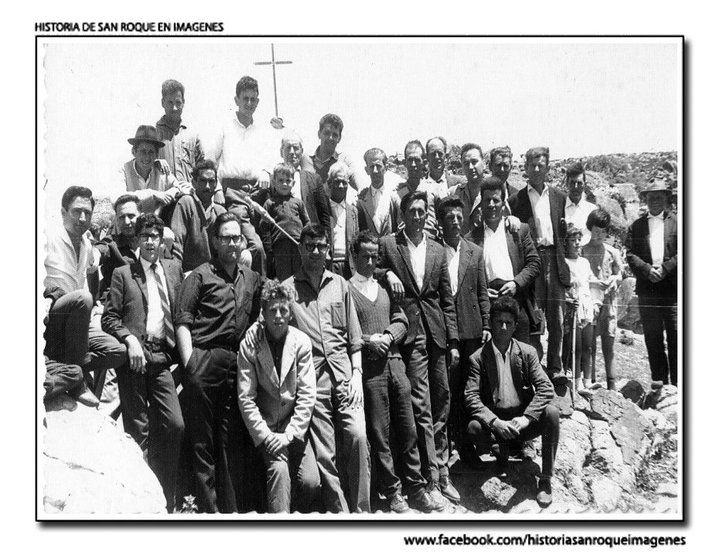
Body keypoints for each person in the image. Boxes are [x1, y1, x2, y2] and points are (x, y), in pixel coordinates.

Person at [348, 231, 443, 513]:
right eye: (363, 256)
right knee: (381, 433)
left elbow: (401, 319)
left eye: (373, 256)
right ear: (353, 257)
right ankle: (392, 491)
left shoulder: (385, 287)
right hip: (371, 370)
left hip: (396, 363)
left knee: (408, 428)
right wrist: (369, 341)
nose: (369, 261)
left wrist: (389, 336)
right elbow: (346, 331)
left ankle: (416, 487)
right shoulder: (347, 289)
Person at [174, 212, 263, 513]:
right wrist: (191, 365)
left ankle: (230, 511)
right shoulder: (199, 276)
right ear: (214, 241)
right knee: (202, 443)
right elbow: (183, 321)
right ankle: (209, 513)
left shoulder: (251, 278)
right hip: (204, 359)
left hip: (236, 364)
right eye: (226, 238)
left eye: (237, 237)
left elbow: (265, 311)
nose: (232, 243)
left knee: (230, 440)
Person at [377, 191, 461, 506]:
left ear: (427, 215)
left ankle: (443, 470)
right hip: (410, 335)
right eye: (411, 211)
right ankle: (430, 479)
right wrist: (386, 273)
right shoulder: (389, 244)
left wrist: (453, 342)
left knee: (442, 401)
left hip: (437, 333)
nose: (417, 216)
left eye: (421, 211)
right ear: (403, 214)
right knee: (421, 405)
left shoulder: (437, 249)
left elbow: (446, 299)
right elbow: (368, 268)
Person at [282, 224, 370, 513]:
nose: (316, 251)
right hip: (313, 382)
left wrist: (357, 375)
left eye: (321, 246)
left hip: (345, 378)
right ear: (300, 249)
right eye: (310, 246)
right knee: (325, 453)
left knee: (358, 437)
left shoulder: (340, 285)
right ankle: (340, 514)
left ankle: (363, 513)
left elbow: (355, 338)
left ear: (329, 250)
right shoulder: (288, 290)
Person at [101, 214, 185, 512]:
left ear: (162, 240)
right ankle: (143, 505)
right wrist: (129, 339)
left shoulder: (173, 270)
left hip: (162, 357)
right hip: (135, 360)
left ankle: (167, 498)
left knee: (174, 425)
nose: (150, 241)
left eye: (155, 236)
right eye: (145, 236)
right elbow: (109, 318)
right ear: (137, 240)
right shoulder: (123, 274)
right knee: (139, 431)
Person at [464, 296, 560, 507]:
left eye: (508, 323)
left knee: (552, 414)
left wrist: (527, 418)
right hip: (496, 423)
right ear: (491, 323)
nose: (503, 327)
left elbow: (546, 388)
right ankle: (500, 453)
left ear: (516, 325)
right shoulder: (478, 358)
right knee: (473, 427)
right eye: (499, 322)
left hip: (520, 421)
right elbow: (471, 397)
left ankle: (545, 479)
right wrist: (495, 422)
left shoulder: (527, 353)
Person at [237, 280, 321, 513]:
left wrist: (290, 434)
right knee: (280, 471)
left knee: (311, 482)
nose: (278, 316)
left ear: (291, 313)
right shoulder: (250, 344)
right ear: (263, 313)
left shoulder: (301, 342)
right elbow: (246, 398)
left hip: (292, 425)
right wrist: (266, 436)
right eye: (272, 310)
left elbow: (307, 395)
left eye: (283, 310)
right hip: (265, 428)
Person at [44, 186, 127, 395]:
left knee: (117, 351)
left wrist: (96, 301)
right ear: (63, 212)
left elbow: (91, 269)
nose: (82, 218)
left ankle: (67, 371)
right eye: (76, 211)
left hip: (76, 326)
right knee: (82, 298)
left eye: (87, 213)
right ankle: (76, 382)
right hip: (51, 320)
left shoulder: (87, 245)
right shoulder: (46, 237)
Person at [508, 147, 571, 384]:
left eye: (541, 165)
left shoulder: (559, 197)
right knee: (534, 315)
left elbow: (564, 233)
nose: (536, 169)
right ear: (525, 168)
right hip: (531, 260)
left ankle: (555, 367)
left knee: (556, 317)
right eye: (532, 165)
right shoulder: (516, 200)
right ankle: (535, 367)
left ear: (547, 168)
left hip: (554, 258)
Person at [437, 197, 491, 465]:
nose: (456, 222)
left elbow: (482, 291)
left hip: (471, 330)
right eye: (450, 218)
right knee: (448, 388)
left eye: (459, 217)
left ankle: (470, 444)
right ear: (441, 222)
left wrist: (487, 324)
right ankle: (447, 444)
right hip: (444, 329)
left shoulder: (475, 251)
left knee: (471, 388)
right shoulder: (434, 250)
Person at [474, 177, 542, 350]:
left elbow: (534, 263)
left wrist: (516, 284)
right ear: (481, 204)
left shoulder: (518, 230)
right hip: (489, 305)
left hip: (516, 300)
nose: (491, 205)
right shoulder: (472, 238)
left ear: (503, 204)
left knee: (521, 354)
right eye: (487, 200)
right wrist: (482, 290)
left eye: (496, 200)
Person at [625, 179, 678, 386]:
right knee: (652, 336)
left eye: (659, 196)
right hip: (648, 288)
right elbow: (630, 254)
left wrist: (666, 268)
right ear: (645, 199)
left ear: (666, 198)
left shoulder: (678, 222)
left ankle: (677, 386)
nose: (655, 200)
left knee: (676, 335)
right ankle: (659, 382)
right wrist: (647, 270)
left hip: (672, 289)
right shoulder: (636, 226)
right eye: (651, 196)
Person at [171, 159, 238, 274]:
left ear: (216, 184)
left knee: (245, 256)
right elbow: (177, 244)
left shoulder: (220, 211)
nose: (207, 186)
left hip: (215, 273)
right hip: (190, 272)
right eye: (202, 181)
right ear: (194, 183)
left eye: (211, 181)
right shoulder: (186, 203)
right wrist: (178, 276)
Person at [583, 209, 623, 390]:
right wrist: (593, 282)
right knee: (589, 345)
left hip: (608, 303)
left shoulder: (612, 252)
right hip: (590, 303)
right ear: (589, 229)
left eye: (603, 231)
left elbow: (619, 274)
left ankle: (612, 386)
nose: (599, 235)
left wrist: (615, 278)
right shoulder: (583, 250)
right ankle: (590, 381)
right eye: (596, 231)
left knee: (609, 345)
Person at [120, 125, 192, 218]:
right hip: (130, 223)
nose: (147, 157)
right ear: (134, 152)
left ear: (156, 155)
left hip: (154, 224)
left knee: (186, 200)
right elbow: (119, 198)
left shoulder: (161, 170)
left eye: (151, 152)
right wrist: (152, 194)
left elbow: (183, 187)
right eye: (143, 151)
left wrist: (172, 192)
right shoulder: (124, 170)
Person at [260, 163, 310, 281]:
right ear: (273, 182)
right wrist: (269, 248)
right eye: (280, 180)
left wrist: (306, 241)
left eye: (288, 181)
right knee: (285, 278)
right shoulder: (269, 203)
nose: (284, 184)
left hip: (298, 244)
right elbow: (264, 227)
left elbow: (307, 222)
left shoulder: (298, 202)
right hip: (280, 246)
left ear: (293, 183)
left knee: (300, 275)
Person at [562, 226, 597, 391]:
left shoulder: (584, 262)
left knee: (588, 346)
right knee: (576, 347)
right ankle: (577, 382)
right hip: (573, 308)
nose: (577, 243)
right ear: (566, 243)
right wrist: (568, 300)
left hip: (586, 305)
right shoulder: (563, 263)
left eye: (579, 240)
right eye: (572, 240)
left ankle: (587, 380)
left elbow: (591, 282)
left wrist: (608, 282)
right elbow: (562, 288)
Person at [279, 131, 331, 231]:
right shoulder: (272, 179)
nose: (292, 152)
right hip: (282, 236)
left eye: (295, 148)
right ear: (281, 152)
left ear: (301, 151)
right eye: (288, 148)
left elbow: (324, 217)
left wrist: (326, 239)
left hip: (309, 237)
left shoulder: (314, 180)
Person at [155, 79, 204, 183]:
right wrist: (156, 162)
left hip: (188, 191)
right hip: (163, 191)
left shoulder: (193, 135)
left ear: (183, 102)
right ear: (162, 102)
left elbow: (202, 167)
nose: (174, 108)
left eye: (178, 102)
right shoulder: (153, 134)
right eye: (170, 102)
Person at [95, 194, 141, 304]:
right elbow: (99, 250)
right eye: (121, 217)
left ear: (141, 216)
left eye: (131, 216)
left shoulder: (151, 243)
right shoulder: (112, 243)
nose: (126, 222)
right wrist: (93, 254)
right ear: (116, 219)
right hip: (114, 304)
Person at [304, 113, 364, 194]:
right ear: (319, 134)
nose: (330, 138)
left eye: (335, 135)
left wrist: (361, 189)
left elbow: (354, 174)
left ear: (339, 138)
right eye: (327, 133)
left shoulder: (344, 159)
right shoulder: (306, 158)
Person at [396, 140, 443, 240]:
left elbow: (442, 224)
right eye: (410, 160)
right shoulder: (397, 193)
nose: (413, 164)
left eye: (417, 160)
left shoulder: (434, 190)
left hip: (430, 243)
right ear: (404, 162)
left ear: (424, 162)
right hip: (404, 244)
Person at [356, 147, 403, 237]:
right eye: (371, 167)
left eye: (378, 166)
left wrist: (389, 241)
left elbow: (402, 227)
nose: (375, 171)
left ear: (385, 168)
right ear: (366, 170)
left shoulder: (394, 197)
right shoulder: (361, 200)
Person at [327, 162, 359, 279]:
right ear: (329, 183)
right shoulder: (323, 208)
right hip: (329, 265)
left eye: (344, 183)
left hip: (349, 266)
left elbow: (356, 239)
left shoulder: (353, 211)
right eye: (337, 182)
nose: (341, 186)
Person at [564, 162, 597, 246]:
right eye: (572, 182)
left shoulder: (592, 210)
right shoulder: (559, 208)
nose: (576, 187)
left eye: (579, 183)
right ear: (567, 183)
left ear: (584, 184)